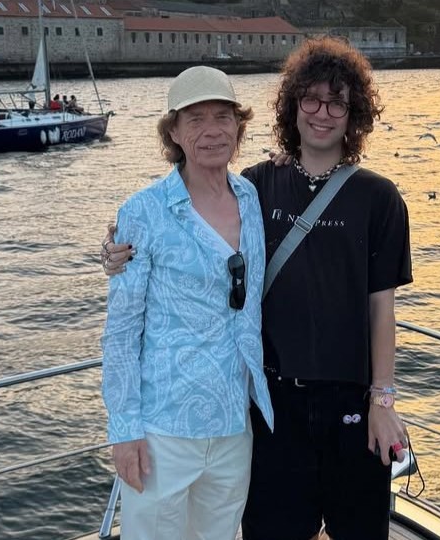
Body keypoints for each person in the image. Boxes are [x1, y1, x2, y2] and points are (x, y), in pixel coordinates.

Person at [103, 37, 413, 540]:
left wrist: (383, 401)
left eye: (337, 103)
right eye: (310, 99)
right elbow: (125, 318)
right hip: (246, 411)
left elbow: (383, 309)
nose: (322, 113)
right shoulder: (246, 188)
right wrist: (115, 250)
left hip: (311, 410)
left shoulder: (364, 197)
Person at [100, 65, 274, 540]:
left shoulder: (251, 197)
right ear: (173, 132)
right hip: (164, 428)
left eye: (223, 116)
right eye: (195, 119)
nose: (212, 130)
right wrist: (125, 430)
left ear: (239, 126)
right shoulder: (144, 211)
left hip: (234, 421)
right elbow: (121, 331)